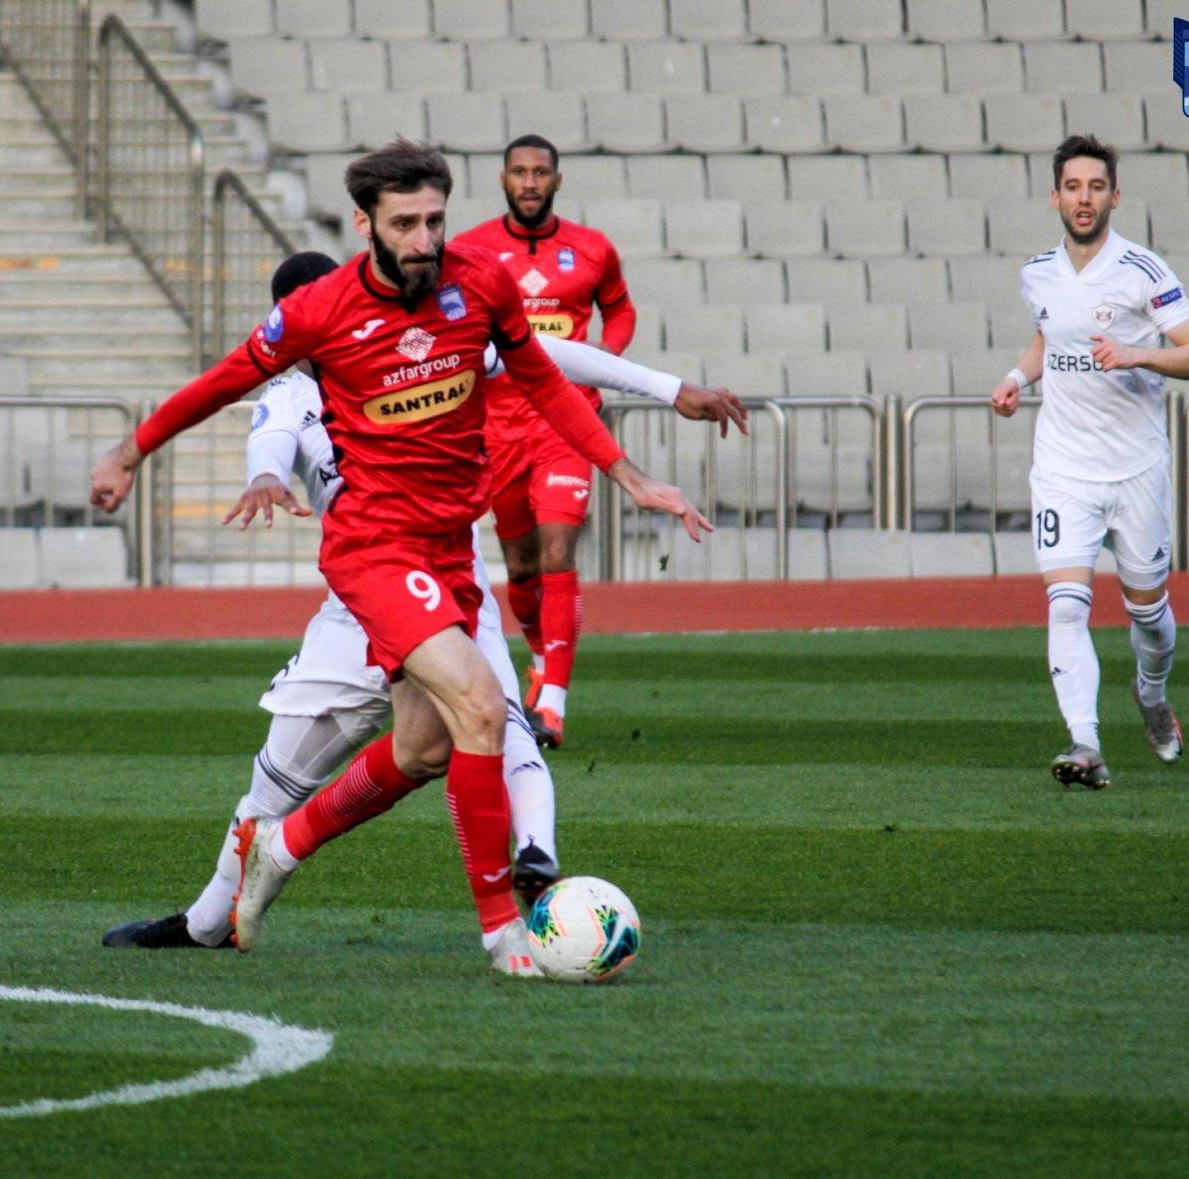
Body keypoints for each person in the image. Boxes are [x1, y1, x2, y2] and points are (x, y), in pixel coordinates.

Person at [92, 139, 722, 974]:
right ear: (364, 225)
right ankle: (501, 933)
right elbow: (226, 384)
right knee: (482, 707)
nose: (424, 240)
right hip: (374, 552)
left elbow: (544, 374)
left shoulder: (478, 284)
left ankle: (282, 847)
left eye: (434, 220)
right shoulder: (318, 316)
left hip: (448, 551)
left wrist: (629, 472)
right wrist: (132, 451)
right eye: (404, 224)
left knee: (428, 747)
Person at [990, 134, 1189, 789]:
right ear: (1054, 197)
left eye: (1094, 187)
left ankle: (1151, 693)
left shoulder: (1144, 271)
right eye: (1072, 187)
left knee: (1148, 612)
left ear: (1114, 196)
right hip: (1063, 469)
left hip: (1135, 468)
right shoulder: (1037, 272)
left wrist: (1136, 353)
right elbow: (1048, 335)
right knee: (1066, 605)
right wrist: (1015, 377)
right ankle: (1085, 744)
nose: (1083, 198)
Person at [451, 134, 638, 748]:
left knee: (558, 552)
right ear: (503, 180)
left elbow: (621, 310)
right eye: (519, 172)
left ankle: (553, 701)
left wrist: (605, 357)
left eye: (539, 173)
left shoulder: (592, 248)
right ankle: (539, 653)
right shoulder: (471, 250)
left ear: (557, 180)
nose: (529, 182)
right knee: (522, 570)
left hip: (564, 421)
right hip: (497, 426)